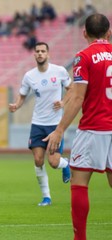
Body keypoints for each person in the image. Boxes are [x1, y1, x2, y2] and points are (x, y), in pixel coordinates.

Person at [44, 13, 112, 240]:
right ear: (109, 32)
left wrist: (60, 129)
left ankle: (80, 238)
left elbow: (77, 97)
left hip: (94, 128)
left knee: (79, 182)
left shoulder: (84, 56)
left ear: (84, 33)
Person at [8, 42, 72, 206]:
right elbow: (22, 95)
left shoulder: (59, 71)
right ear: (34, 54)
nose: (40, 54)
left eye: (43, 51)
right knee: (38, 160)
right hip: (37, 123)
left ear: (48, 54)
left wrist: (64, 102)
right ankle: (46, 197)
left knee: (53, 162)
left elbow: (72, 89)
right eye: (37, 51)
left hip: (55, 124)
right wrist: (16, 105)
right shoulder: (30, 76)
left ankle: (66, 164)